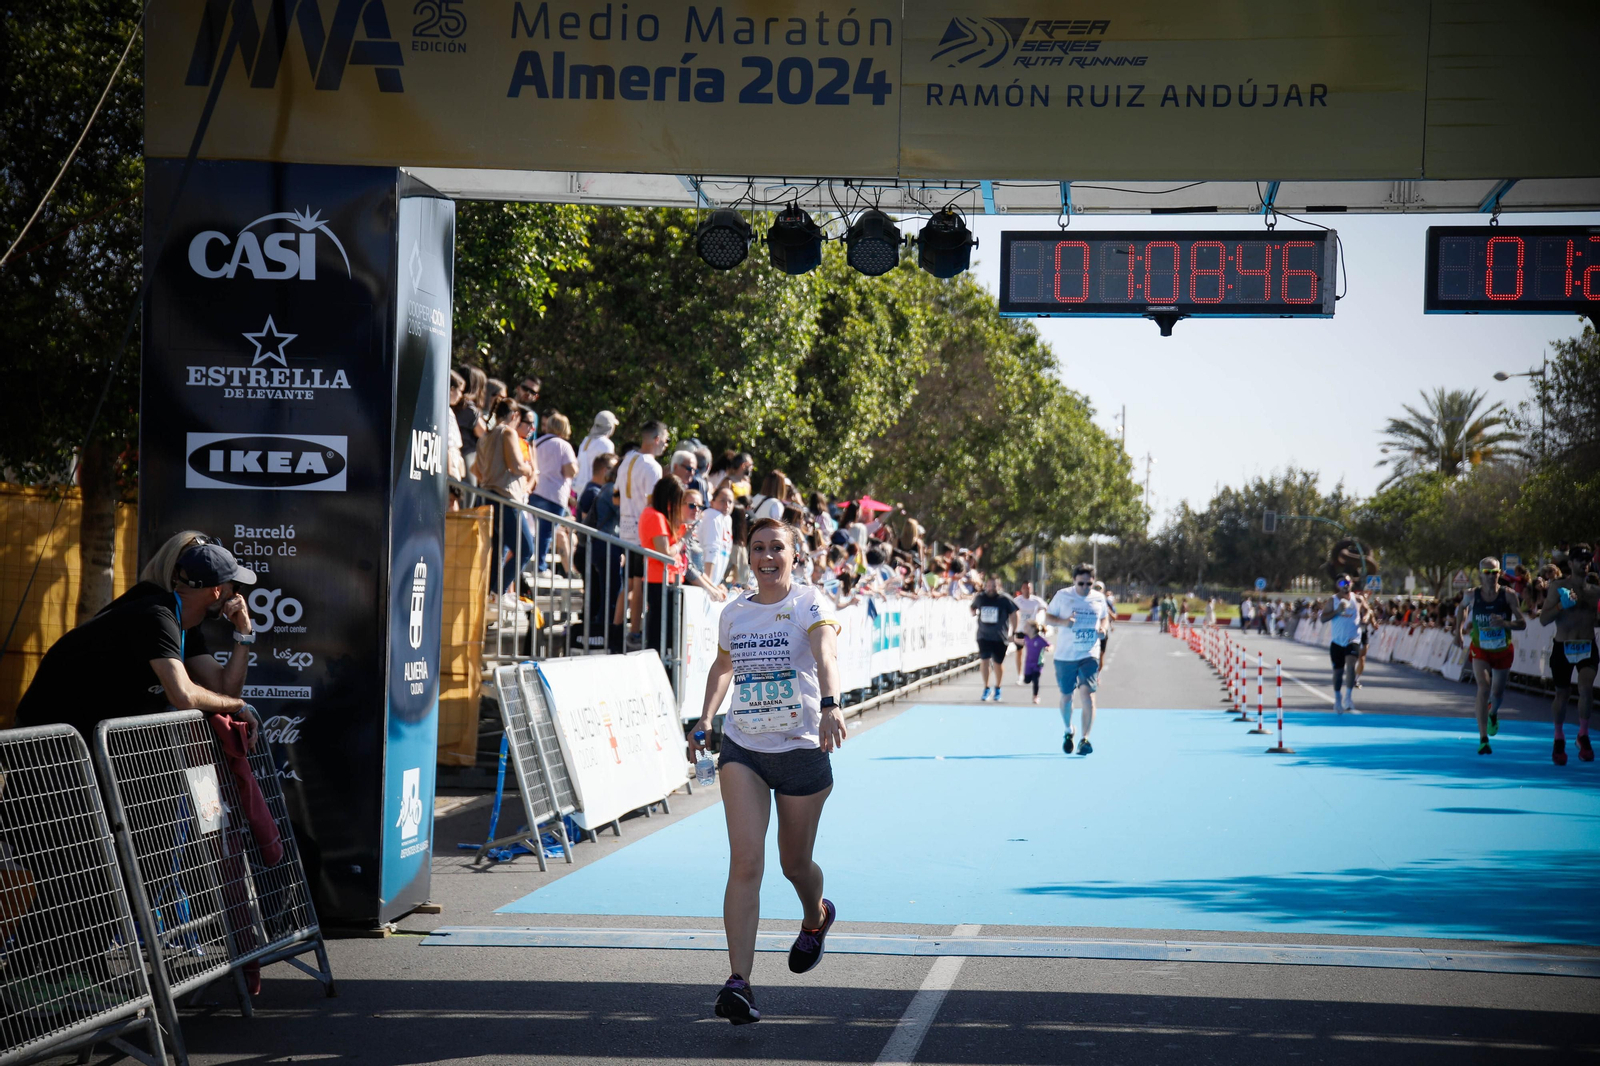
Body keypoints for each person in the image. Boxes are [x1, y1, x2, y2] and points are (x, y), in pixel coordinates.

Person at [688, 516, 845, 1026]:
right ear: (748, 555)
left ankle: (815, 917)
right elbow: (723, 667)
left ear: (794, 555)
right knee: (745, 863)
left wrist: (830, 704)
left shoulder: (809, 603)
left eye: (777, 547)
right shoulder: (734, 612)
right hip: (744, 749)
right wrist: (705, 718)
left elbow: (825, 653)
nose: (767, 556)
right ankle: (739, 982)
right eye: (758, 548)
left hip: (801, 751)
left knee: (794, 865)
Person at [16, 534, 262, 741]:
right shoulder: (156, 614)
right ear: (216, 590)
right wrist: (237, 705)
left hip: (80, 735)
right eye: (235, 586)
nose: (237, 596)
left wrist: (244, 633)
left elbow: (223, 689)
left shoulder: (180, 618)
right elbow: (184, 695)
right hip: (49, 737)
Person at [1454, 557, 1526, 756]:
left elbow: (1522, 623)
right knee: (1483, 688)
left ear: (1500, 573)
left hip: (1502, 650)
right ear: (1480, 574)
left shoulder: (1509, 595)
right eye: (1487, 573)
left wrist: (1505, 624)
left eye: (1494, 572)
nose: (1491, 576)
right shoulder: (1472, 594)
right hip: (1481, 649)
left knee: (1498, 694)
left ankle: (1493, 713)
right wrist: (1458, 632)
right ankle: (1483, 738)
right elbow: (1462, 608)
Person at [1539, 544, 1599, 765]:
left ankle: (1583, 734)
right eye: (1580, 560)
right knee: (1562, 695)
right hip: (1563, 646)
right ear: (1571, 563)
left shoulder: (1595, 591)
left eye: (1588, 560)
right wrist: (1561, 607)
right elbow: (1543, 620)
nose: (1585, 564)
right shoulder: (1558, 587)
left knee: (1586, 687)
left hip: (1587, 646)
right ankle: (1559, 737)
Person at [473, 399, 537, 596]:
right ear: (514, 415)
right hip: (506, 497)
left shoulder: (486, 436)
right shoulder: (507, 432)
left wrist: (491, 477)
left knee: (498, 551)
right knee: (525, 549)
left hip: (488, 497)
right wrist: (529, 469)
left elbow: (475, 469)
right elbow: (516, 466)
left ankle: (492, 596)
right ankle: (497, 592)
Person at [1045, 565, 1110, 754]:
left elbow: (1104, 617)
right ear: (1074, 581)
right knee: (1067, 697)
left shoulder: (1098, 598)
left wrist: (1103, 629)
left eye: (1089, 584)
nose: (1085, 588)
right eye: (1081, 583)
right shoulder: (1063, 596)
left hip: (1089, 653)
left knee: (1088, 695)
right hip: (1065, 656)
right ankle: (1068, 729)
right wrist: (1064, 622)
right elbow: (1048, 618)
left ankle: (1085, 739)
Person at [616, 421, 670, 645]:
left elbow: (616, 496)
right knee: (638, 584)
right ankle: (634, 632)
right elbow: (653, 503)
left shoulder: (627, 459)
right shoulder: (652, 466)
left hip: (626, 529)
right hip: (642, 532)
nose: (666, 445)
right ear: (656, 439)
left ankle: (616, 629)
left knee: (629, 584)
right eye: (666, 440)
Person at [530, 412, 579, 574]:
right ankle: (540, 566)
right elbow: (570, 471)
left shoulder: (537, 442)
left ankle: (533, 563)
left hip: (536, 491)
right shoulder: (564, 445)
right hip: (554, 495)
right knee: (546, 533)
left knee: (535, 530)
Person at [970, 576, 1018, 702]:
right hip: (983, 635)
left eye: (994, 586)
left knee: (998, 663)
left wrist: (1014, 632)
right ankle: (986, 687)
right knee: (984, 660)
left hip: (999, 636)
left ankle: (998, 687)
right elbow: (972, 606)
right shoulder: (981, 598)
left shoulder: (1005, 599)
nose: (991, 589)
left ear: (999, 587)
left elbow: (1014, 614)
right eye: (989, 586)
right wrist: (973, 612)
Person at [1320, 577, 1363, 713]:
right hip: (1337, 641)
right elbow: (1323, 618)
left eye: (1347, 582)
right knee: (1338, 673)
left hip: (1353, 639)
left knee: (1350, 666)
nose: (1345, 585)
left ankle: (1348, 697)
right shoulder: (1333, 600)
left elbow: (1368, 611)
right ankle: (1338, 698)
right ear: (1338, 585)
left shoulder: (1358, 599)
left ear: (1351, 584)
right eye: (1342, 583)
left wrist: (1368, 618)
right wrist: (1337, 611)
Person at [454, 366, 487, 485]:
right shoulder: (469, 409)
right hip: (466, 456)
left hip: (452, 455)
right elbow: (483, 433)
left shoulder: (453, 403)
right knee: (467, 494)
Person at [574, 410, 619, 497]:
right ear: (609, 427)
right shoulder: (606, 444)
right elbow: (608, 468)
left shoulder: (586, 440)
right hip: (596, 489)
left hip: (580, 489)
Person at [699, 485, 735, 586]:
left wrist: (718, 583)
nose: (727, 505)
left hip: (712, 582)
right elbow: (711, 550)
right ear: (712, 502)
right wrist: (709, 584)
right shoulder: (712, 516)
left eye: (730, 502)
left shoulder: (727, 519)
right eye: (722, 501)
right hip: (704, 580)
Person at [1010, 581, 1046, 676]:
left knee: (1033, 651)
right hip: (1020, 629)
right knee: (1019, 652)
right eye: (1025, 588)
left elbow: (1046, 608)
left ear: (1032, 589)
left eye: (1028, 588)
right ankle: (1020, 675)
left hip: (1032, 631)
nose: (1027, 590)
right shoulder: (1017, 601)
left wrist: (1040, 616)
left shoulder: (1036, 600)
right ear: (1021, 589)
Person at [1021, 622, 1050, 705]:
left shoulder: (1040, 639)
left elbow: (1049, 645)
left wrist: (1048, 648)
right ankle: (1028, 678)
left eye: (1027, 627)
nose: (1025, 628)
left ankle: (1035, 696)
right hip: (1028, 663)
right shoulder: (1026, 638)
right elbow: (1021, 641)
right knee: (1027, 680)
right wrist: (1012, 640)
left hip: (1038, 663)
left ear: (1033, 629)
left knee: (1035, 680)